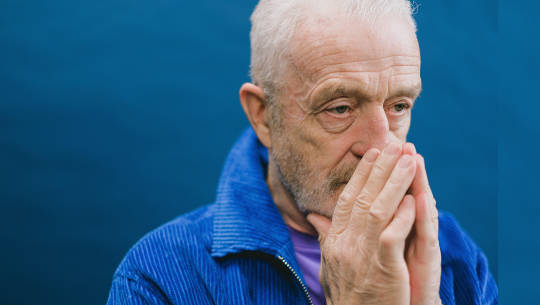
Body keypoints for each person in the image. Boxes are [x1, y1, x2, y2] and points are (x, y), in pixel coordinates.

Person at [106, 0, 498, 304]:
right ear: (263, 116)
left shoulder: (459, 260)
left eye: (399, 106)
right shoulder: (162, 278)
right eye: (340, 108)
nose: (382, 145)